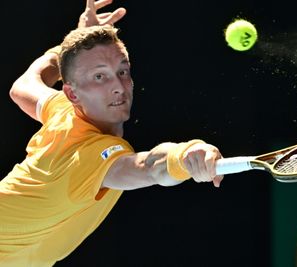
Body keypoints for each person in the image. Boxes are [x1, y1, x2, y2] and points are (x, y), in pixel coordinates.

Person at [0, 0, 223, 266]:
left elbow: (22, 86)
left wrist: (73, 44)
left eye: (122, 71)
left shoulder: (64, 109)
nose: (118, 86)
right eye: (99, 76)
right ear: (72, 92)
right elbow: (149, 166)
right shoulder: (89, 158)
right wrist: (184, 154)